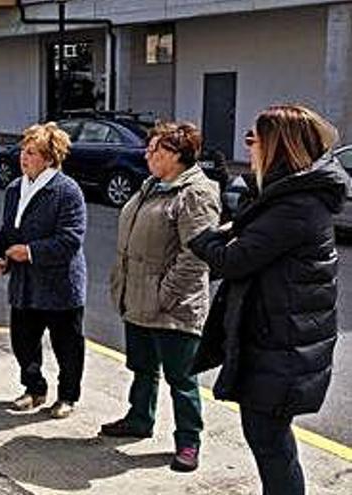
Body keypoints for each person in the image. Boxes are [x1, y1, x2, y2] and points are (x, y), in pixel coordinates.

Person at [189, 105, 346, 494]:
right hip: (278, 341)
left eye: (253, 140)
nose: (249, 147)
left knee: (270, 444)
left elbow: (232, 260)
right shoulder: (284, 198)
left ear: (277, 146)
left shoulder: (295, 206)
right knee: (271, 443)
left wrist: (206, 236)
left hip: (283, 348)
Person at [101, 122, 220, 472]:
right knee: (142, 367)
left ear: (176, 155)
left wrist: (164, 294)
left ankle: (188, 442)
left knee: (181, 379)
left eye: (155, 149)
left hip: (172, 306)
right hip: (136, 296)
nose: (147, 154)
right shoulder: (152, 184)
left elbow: (196, 254)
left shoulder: (195, 193)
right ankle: (139, 418)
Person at [0, 122, 87, 419]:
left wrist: (29, 252)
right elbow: (8, 231)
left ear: (49, 158)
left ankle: (68, 396)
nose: (24, 157)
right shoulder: (16, 188)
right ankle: (34, 389)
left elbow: (70, 240)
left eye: (31, 153)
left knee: (66, 346)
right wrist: (0, 256)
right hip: (24, 284)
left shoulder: (67, 191)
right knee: (23, 342)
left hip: (60, 285)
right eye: (23, 151)